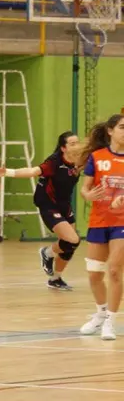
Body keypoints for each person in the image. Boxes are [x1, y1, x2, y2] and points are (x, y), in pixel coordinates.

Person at [0, 131, 81, 291]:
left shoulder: (80, 162)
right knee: (71, 239)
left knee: (71, 244)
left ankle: (56, 278)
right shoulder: (54, 162)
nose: (77, 146)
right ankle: (47, 253)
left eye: (78, 142)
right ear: (63, 148)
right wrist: (9, 172)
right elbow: (33, 171)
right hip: (48, 203)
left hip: (64, 204)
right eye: (72, 143)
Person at [79, 114, 124, 340]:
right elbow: (85, 189)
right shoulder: (97, 157)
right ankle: (100, 313)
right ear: (110, 130)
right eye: (122, 127)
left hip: (122, 223)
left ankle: (111, 322)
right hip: (99, 221)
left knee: (115, 270)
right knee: (94, 274)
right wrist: (89, 194)